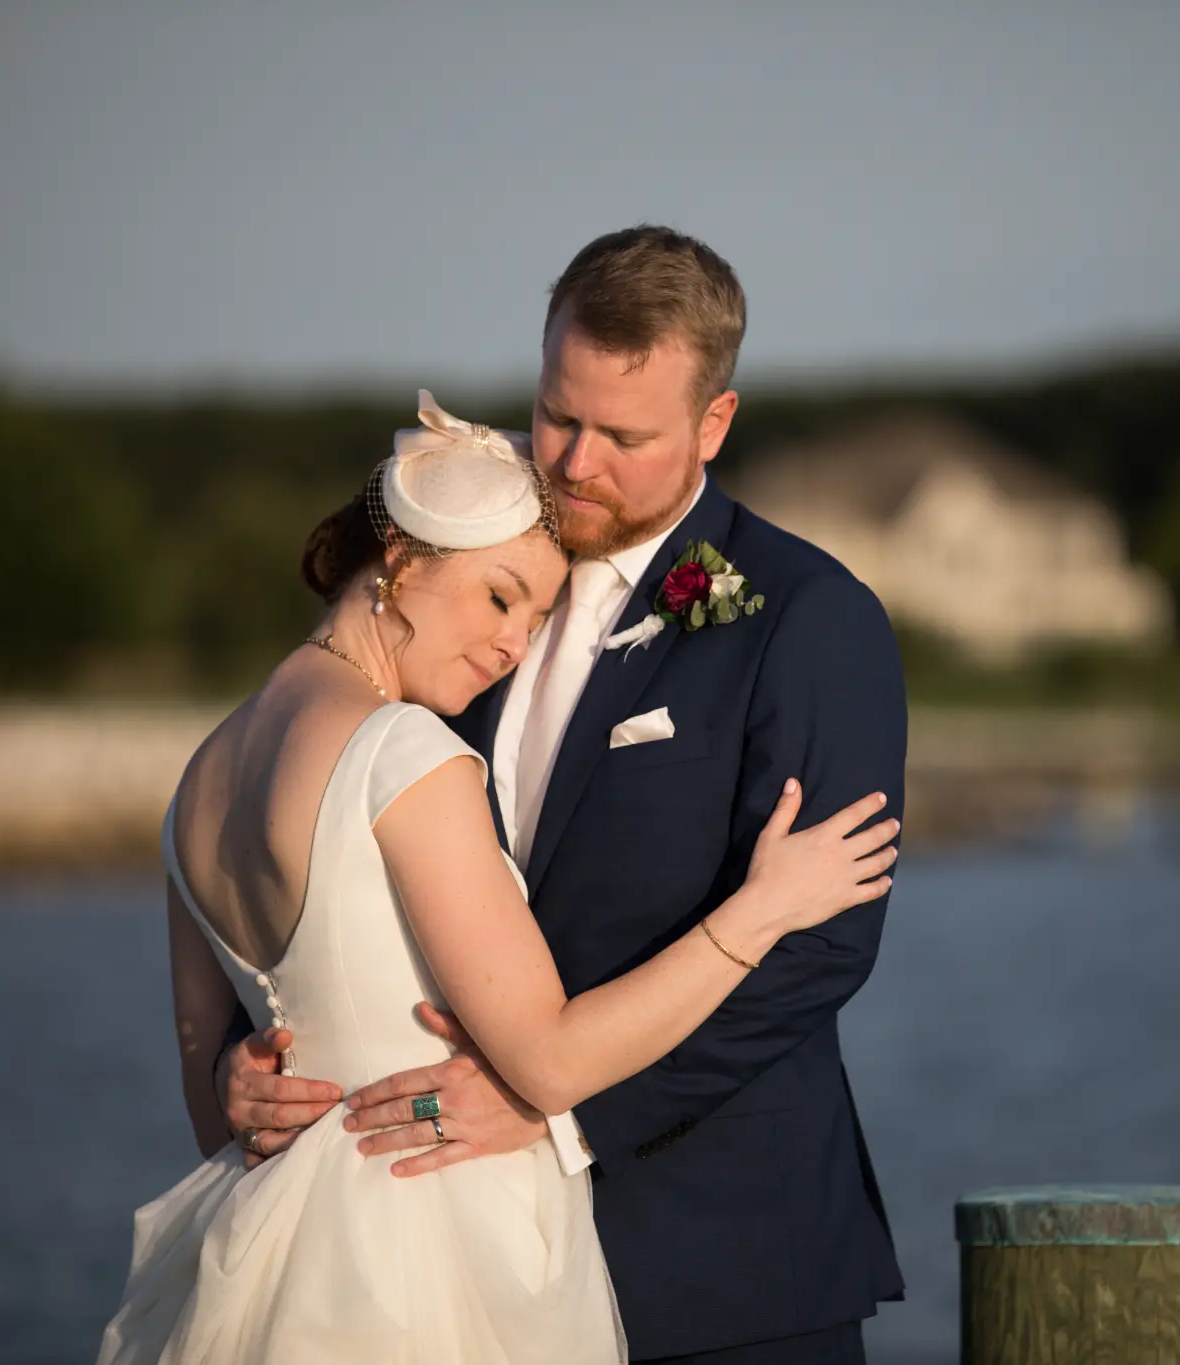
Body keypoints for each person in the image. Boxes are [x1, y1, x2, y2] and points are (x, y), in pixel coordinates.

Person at [215, 226, 910, 1363]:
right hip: (464, 1267)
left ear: (712, 425)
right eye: (556, 415)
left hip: (723, 1262)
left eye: (623, 436)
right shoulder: (460, 600)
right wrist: (244, 1064)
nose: (575, 462)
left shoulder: (805, 618)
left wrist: (561, 1113)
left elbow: (822, 948)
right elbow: (336, 852)